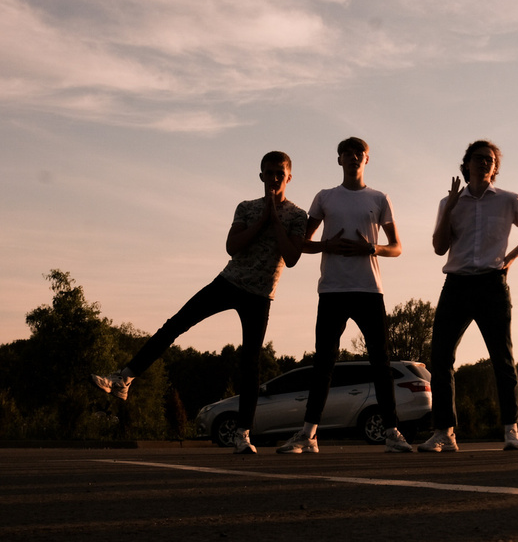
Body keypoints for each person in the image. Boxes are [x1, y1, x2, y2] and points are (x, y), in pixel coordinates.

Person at [92, 151, 312, 454]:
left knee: (251, 362)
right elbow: (232, 248)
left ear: (289, 177)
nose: (274, 179)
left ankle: (242, 434)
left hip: (260, 295)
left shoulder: (298, 216)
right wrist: (264, 217)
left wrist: (276, 220)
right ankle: (124, 377)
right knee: (176, 324)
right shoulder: (246, 208)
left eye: (280, 173)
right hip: (228, 283)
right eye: (269, 173)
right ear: (261, 176)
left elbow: (292, 258)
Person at [285, 137, 416, 453]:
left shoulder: (379, 197)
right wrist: (325, 246)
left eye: (359, 153)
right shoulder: (325, 197)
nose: (353, 157)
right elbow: (302, 243)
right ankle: (308, 435)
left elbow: (397, 247)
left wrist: (370, 248)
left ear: (367, 159)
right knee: (324, 363)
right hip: (332, 289)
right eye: (347, 153)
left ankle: (392, 433)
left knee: (380, 363)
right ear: (339, 159)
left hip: (369, 289)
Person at [419, 140, 518, 452]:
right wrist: (449, 208)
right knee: (441, 357)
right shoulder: (450, 202)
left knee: (502, 357)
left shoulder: (508, 200)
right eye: (478, 158)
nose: (484, 163)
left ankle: (511, 429)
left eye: (489, 160)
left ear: (495, 168)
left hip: (491, 283)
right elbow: (438, 247)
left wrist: (510, 259)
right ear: (467, 163)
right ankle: (444, 431)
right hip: (457, 284)